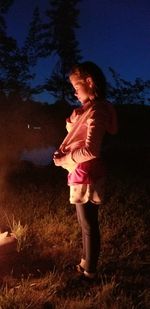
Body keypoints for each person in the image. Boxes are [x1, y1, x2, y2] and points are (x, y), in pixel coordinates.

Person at [53, 61, 118, 279]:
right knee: (84, 222)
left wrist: (64, 159)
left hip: (87, 173)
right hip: (82, 172)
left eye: (76, 86)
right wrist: (74, 120)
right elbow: (77, 136)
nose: (74, 91)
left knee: (89, 223)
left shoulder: (97, 111)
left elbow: (91, 150)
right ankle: (85, 260)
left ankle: (89, 270)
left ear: (89, 82)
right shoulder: (89, 109)